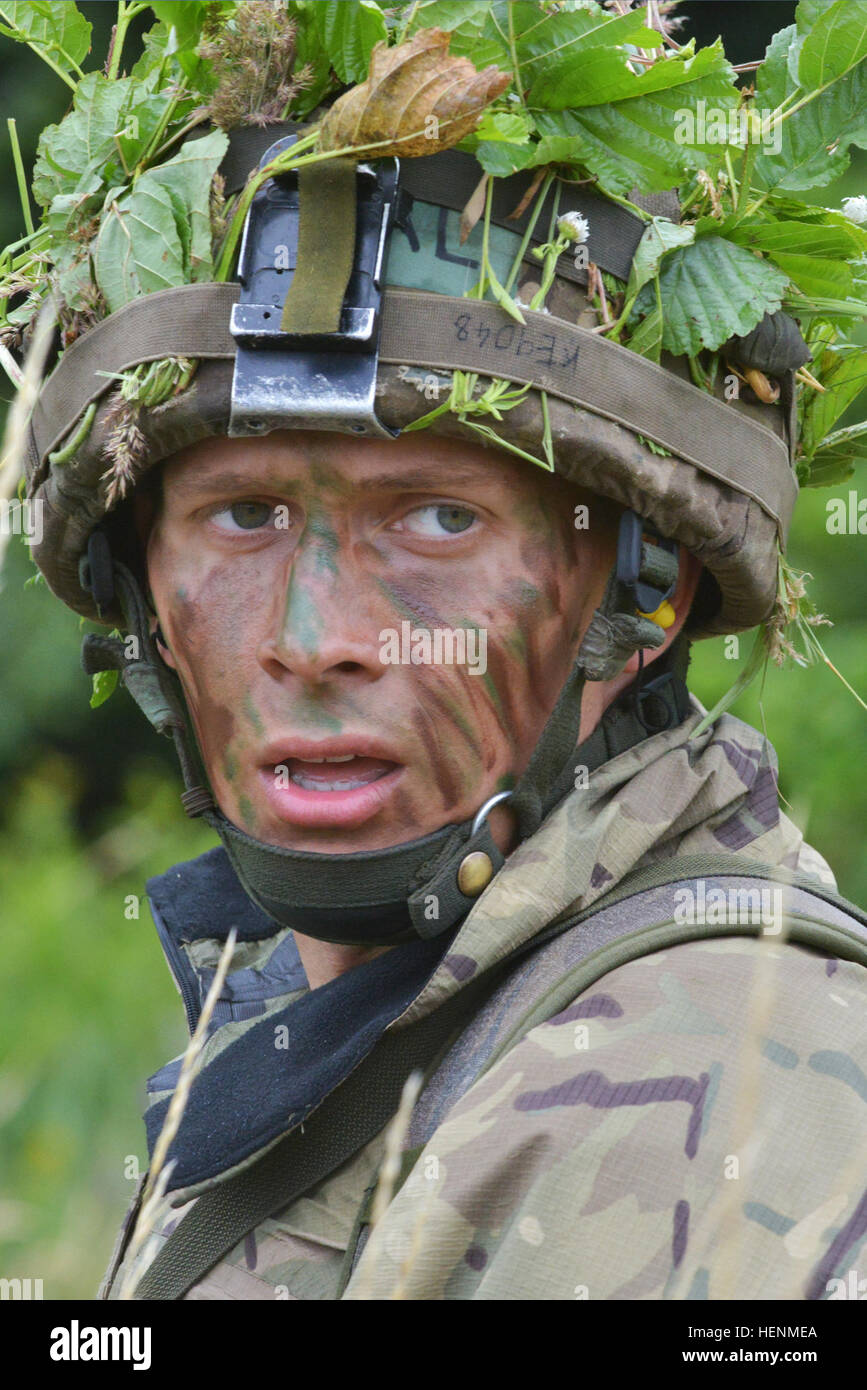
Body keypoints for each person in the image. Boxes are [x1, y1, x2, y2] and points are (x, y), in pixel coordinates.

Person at [13, 5, 867, 1302]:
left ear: (641, 593)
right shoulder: (384, 1025)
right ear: (143, 598)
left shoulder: (707, 1120)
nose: (318, 644)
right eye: (244, 517)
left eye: (437, 518)